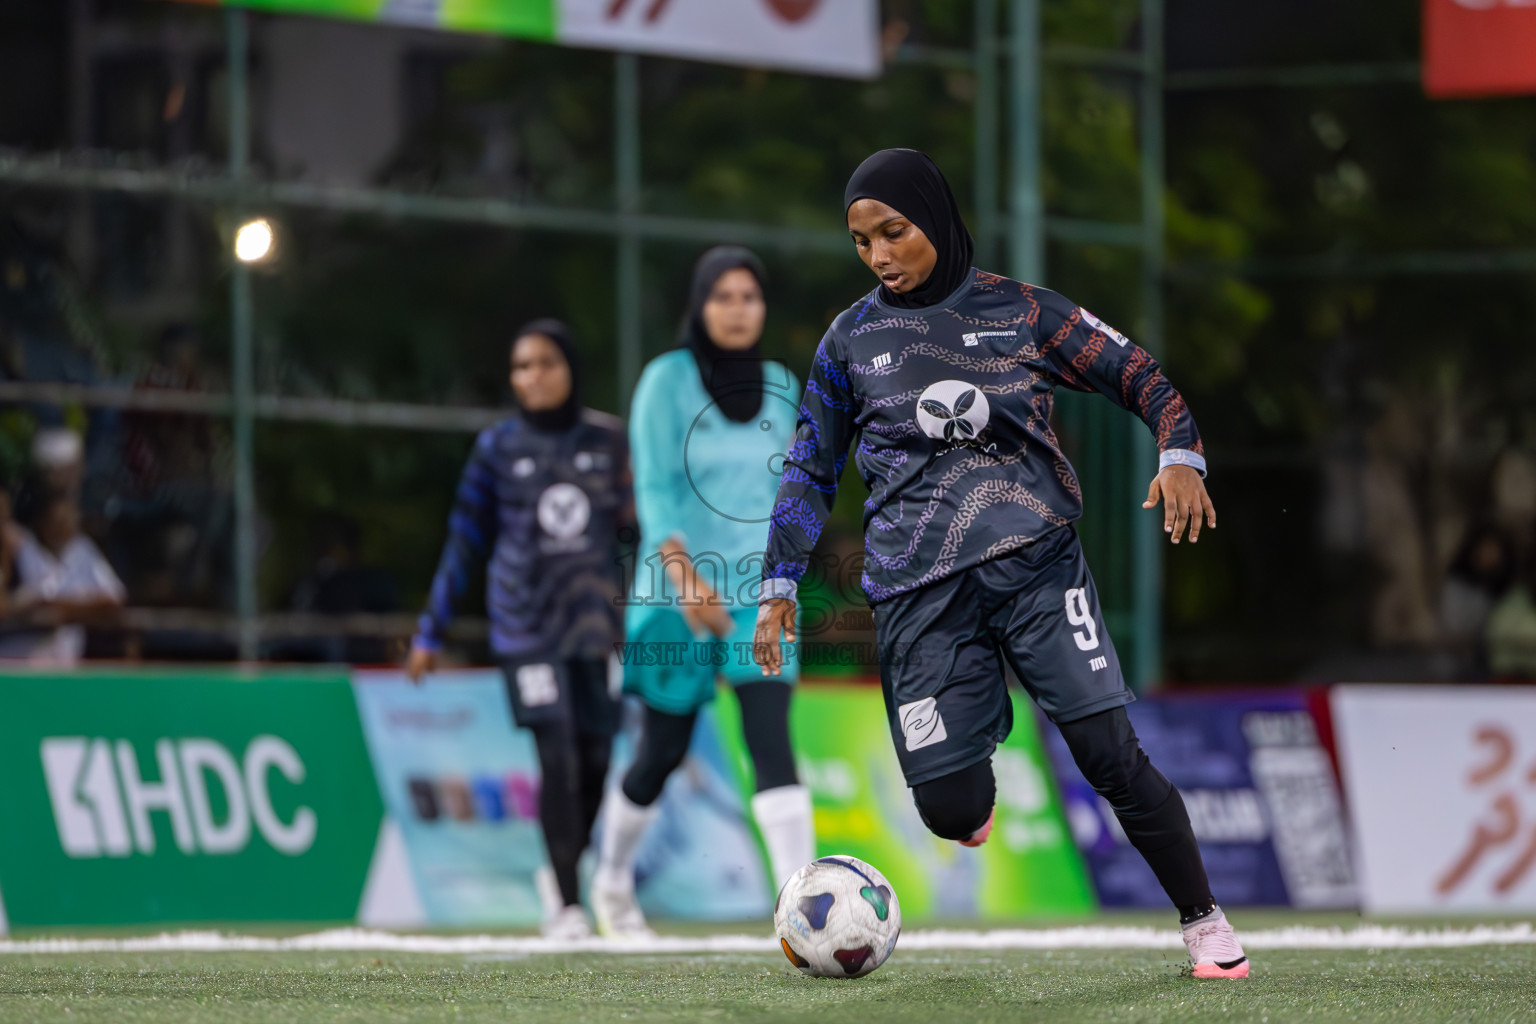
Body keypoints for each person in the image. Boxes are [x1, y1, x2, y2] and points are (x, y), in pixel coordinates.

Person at [753, 149, 1249, 979]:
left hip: (1038, 572)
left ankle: (1204, 922)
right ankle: (975, 739)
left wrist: (1181, 455)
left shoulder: (1023, 312)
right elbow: (809, 466)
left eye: (895, 232)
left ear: (937, 223)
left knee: (1107, 754)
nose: (879, 255)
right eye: (862, 241)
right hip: (919, 600)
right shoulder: (850, 340)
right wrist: (777, 582)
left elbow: (1141, 377)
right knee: (951, 810)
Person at [591, 246, 814, 938]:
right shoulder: (665, 381)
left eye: (750, 297)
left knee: (771, 738)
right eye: (723, 297)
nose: (738, 309)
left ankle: (801, 910)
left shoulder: (782, 383)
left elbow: (792, 492)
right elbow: (654, 484)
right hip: (675, 589)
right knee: (660, 752)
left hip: (758, 597)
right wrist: (687, 580)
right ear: (700, 305)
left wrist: (781, 587)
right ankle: (611, 881)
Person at [406, 319, 632, 940]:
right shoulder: (496, 448)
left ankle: (565, 870)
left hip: (594, 630)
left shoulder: (611, 442)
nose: (532, 377)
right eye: (521, 367)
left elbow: (640, 532)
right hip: (525, 628)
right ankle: (565, 902)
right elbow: (464, 542)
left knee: (594, 758)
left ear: (571, 369)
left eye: (545, 364)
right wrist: (431, 630)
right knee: (555, 750)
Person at [0, 490, 126, 665]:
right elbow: (16, 604)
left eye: (68, 517)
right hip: (21, 649)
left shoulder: (82, 548)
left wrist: (62, 609)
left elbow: (114, 599)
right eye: (55, 519)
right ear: (42, 521)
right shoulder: (24, 546)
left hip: (66, 655)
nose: (62, 524)